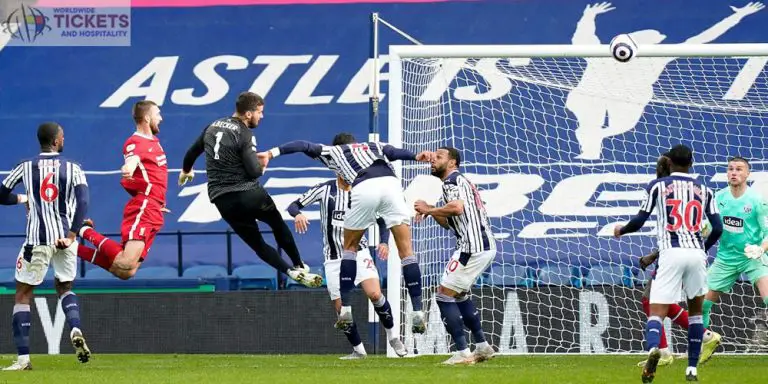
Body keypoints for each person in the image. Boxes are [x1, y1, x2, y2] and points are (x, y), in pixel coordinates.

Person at [258, 133, 433, 333]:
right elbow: (394, 152)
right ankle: (418, 310)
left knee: (349, 248)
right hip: (391, 185)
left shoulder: (335, 151)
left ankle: (346, 309)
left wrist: (271, 153)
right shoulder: (374, 145)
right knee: (407, 252)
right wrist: (415, 156)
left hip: (364, 186)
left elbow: (303, 144)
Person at [179, 92, 321, 287]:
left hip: (223, 200)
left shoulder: (211, 126)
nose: (261, 116)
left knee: (258, 244)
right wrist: (262, 165)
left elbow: (191, 153)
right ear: (248, 114)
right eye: (259, 112)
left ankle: (290, 272)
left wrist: (186, 171)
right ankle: (299, 264)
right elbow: (254, 172)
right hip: (249, 194)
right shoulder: (244, 133)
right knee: (277, 224)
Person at [614, 144, 722, 383]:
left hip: (671, 254)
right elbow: (718, 228)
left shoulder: (657, 187)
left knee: (655, 311)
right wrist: (703, 248)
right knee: (696, 313)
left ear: (669, 163)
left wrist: (621, 230)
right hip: (696, 254)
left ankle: (657, 348)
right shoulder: (705, 190)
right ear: (691, 163)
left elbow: (640, 221)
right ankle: (692, 370)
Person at [0, 122, 91, 370]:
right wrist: (72, 234)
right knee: (64, 287)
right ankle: (74, 328)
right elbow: (83, 201)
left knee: (23, 293)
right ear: (56, 140)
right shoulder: (73, 168)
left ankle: (23, 360)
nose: (64, 139)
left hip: (37, 240)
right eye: (62, 136)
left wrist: (23, 198)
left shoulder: (25, 167)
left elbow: (1, 194)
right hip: (65, 238)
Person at [287, 174, 407, 358]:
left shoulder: (365, 192)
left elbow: (382, 220)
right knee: (341, 308)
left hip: (360, 253)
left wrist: (384, 242)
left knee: (375, 294)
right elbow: (293, 206)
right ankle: (358, 351)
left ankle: (393, 337)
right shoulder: (325, 189)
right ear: (337, 168)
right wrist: (298, 214)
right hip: (334, 259)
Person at [414, 147, 495, 365]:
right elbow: (450, 222)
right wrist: (431, 209)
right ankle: (482, 346)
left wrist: (429, 209)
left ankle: (462, 352)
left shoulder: (452, 182)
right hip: (482, 245)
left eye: (439, 157)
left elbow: (457, 208)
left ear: (452, 163)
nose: (433, 160)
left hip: (471, 247)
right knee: (459, 295)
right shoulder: (459, 183)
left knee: (443, 295)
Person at [76, 100, 169, 280]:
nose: (161, 118)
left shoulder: (155, 142)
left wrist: (159, 201)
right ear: (147, 118)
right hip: (144, 207)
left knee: (126, 271)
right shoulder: (135, 142)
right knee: (125, 262)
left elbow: (152, 176)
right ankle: (83, 230)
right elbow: (131, 160)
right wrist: (128, 168)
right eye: (158, 114)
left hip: (155, 208)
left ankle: (73, 248)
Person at [701, 156, 768, 349]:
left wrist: (760, 249)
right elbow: (709, 225)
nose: (734, 173)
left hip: (752, 256)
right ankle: (702, 344)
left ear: (747, 174)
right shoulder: (719, 197)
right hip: (726, 258)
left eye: (739, 169)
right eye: (730, 169)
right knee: (702, 304)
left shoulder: (757, 200)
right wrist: (704, 228)